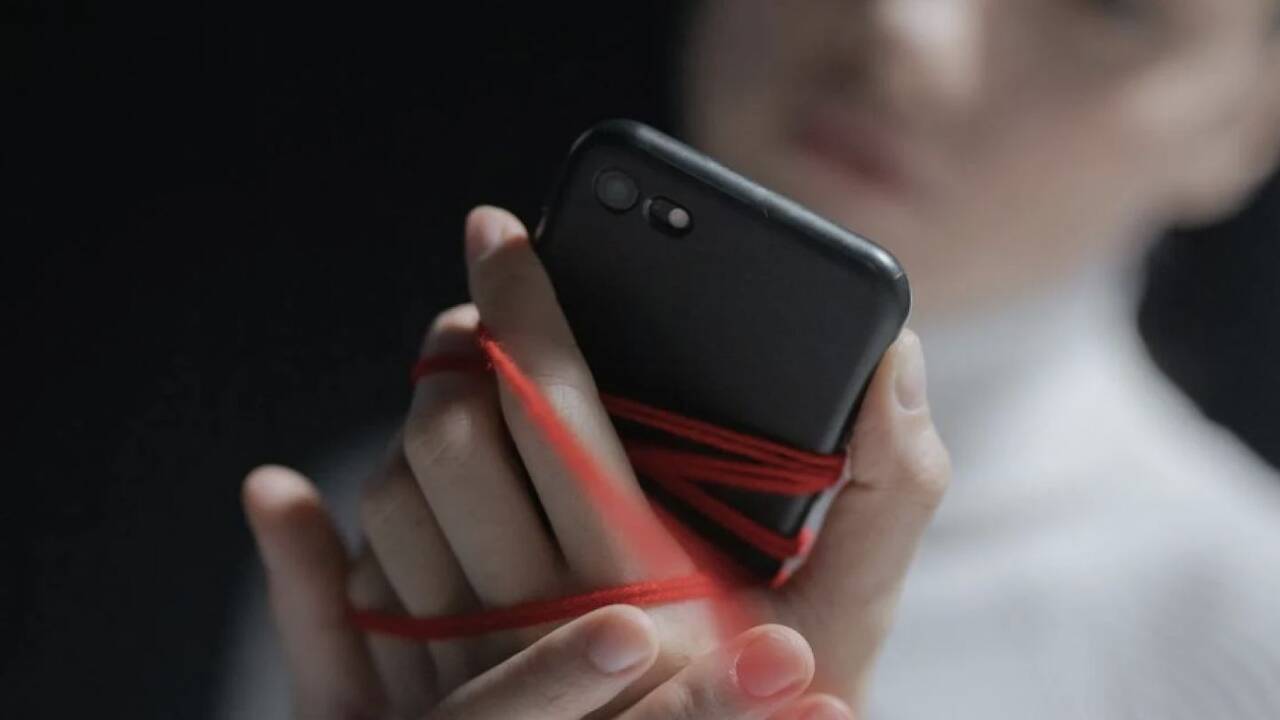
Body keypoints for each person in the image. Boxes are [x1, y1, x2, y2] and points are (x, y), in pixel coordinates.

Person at [221, 1, 1280, 718]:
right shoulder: (399, 524)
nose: (903, 24)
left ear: (1252, 122)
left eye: (1108, 3)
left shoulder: (1249, 641)